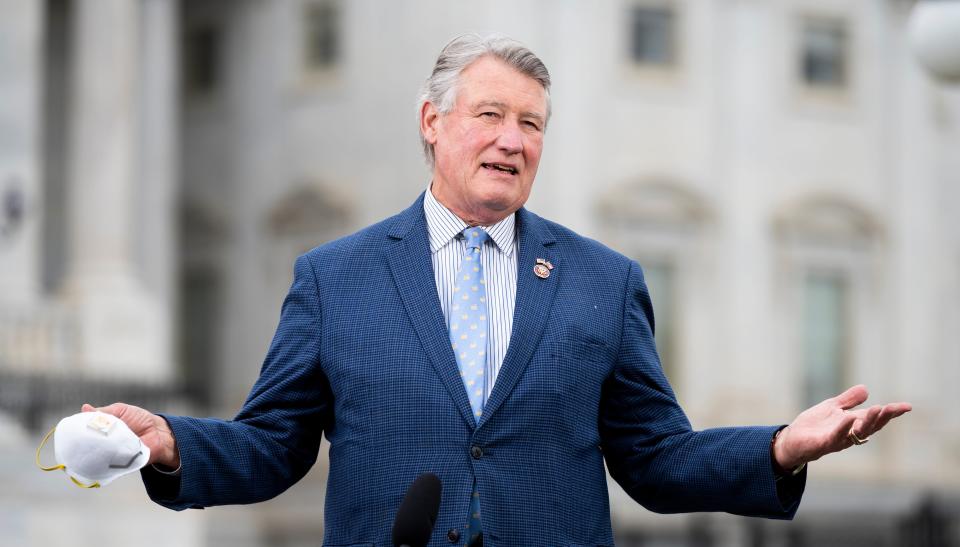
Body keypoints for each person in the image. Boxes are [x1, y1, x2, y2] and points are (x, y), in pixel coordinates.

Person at [85, 34, 911, 546]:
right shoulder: (335, 277)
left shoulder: (604, 279)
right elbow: (274, 444)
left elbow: (655, 458)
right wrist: (171, 442)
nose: (512, 141)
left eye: (533, 123)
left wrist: (776, 448)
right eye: (490, 115)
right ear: (432, 122)